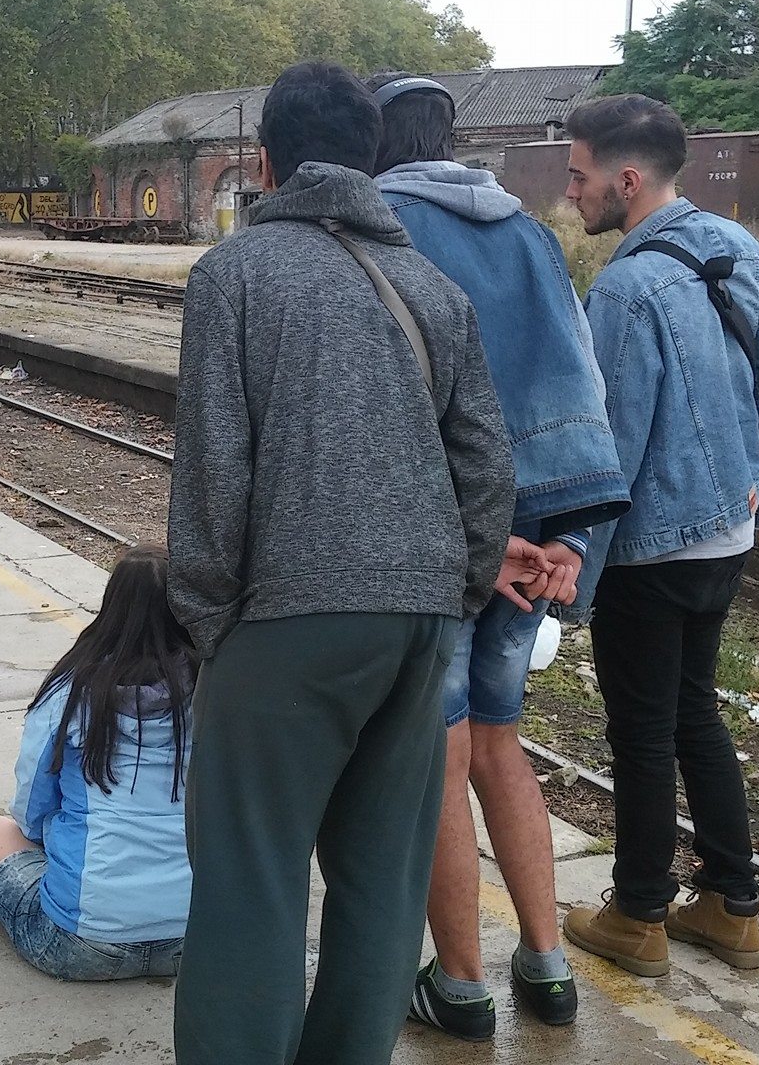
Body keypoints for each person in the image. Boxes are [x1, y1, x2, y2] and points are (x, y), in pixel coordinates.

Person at [166, 60, 522, 1065]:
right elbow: (486, 467)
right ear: (371, 161)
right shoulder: (430, 286)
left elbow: (212, 466)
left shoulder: (231, 276)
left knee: (251, 880)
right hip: (418, 625)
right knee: (379, 885)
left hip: (284, 619)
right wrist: (447, 593)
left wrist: (208, 618)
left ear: (267, 162)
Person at [364, 72, 631, 1040]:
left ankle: (462, 986)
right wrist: (566, 536)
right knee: (499, 743)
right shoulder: (526, 233)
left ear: (373, 145)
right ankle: (548, 968)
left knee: (434, 753)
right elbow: (576, 380)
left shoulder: (379, 229)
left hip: (449, 534)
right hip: (541, 529)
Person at [554, 94, 759, 977]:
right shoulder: (744, 252)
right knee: (696, 712)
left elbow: (605, 445)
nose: (568, 193)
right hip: (726, 531)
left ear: (626, 179)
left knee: (644, 733)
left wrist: (576, 575)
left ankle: (640, 913)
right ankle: (732, 906)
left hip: (653, 546)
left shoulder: (623, 287)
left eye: (577, 177)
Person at [0, 546, 195, 981]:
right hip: (195, 943)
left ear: (110, 607)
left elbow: (31, 810)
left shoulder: (72, 693)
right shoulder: (214, 694)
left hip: (79, 944)